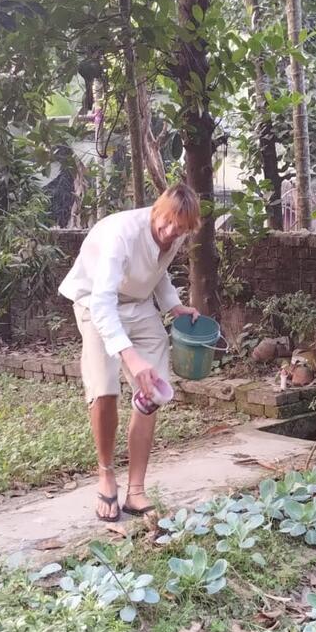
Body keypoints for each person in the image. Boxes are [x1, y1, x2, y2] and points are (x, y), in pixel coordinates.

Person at [59, 184, 202, 521]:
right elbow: (102, 302)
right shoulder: (121, 235)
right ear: (156, 211)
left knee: (151, 393)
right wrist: (130, 356)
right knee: (106, 389)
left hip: (138, 306)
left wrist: (173, 305)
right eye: (165, 224)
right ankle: (106, 474)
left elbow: (159, 269)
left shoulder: (176, 233)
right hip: (95, 303)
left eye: (179, 229)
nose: (169, 233)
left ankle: (136, 491)